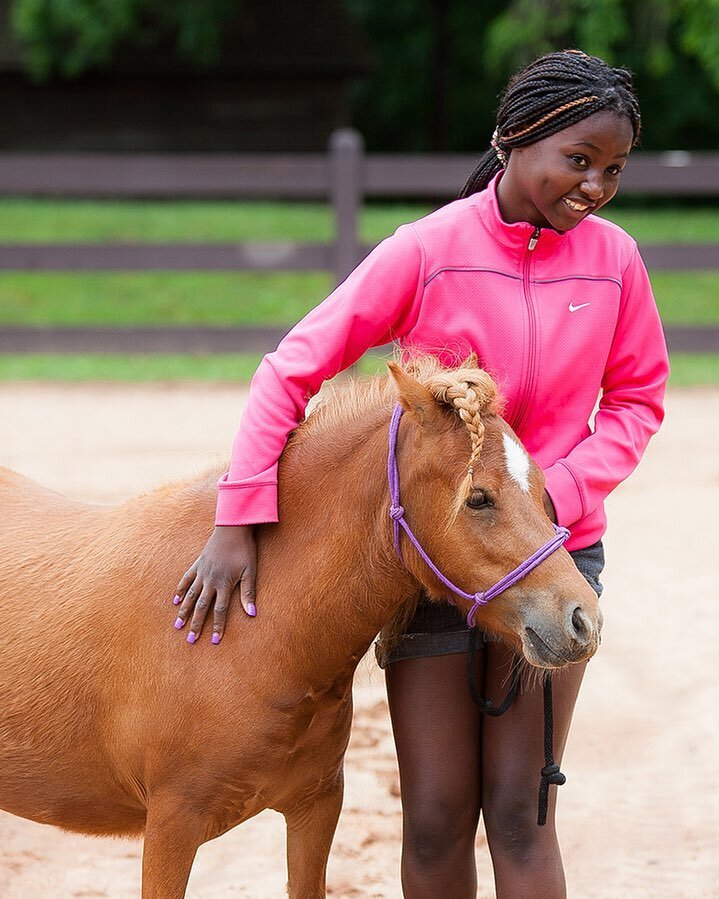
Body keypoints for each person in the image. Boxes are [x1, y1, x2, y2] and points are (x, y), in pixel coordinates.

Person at [173, 49, 669, 898]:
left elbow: (636, 399)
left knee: (520, 813)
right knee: (438, 813)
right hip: (429, 567)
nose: (594, 186)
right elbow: (291, 368)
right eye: (577, 161)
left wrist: (551, 491)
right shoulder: (427, 250)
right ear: (515, 140)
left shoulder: (615, 260)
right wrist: (236, 514)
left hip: (551, 554)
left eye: (612, 170)